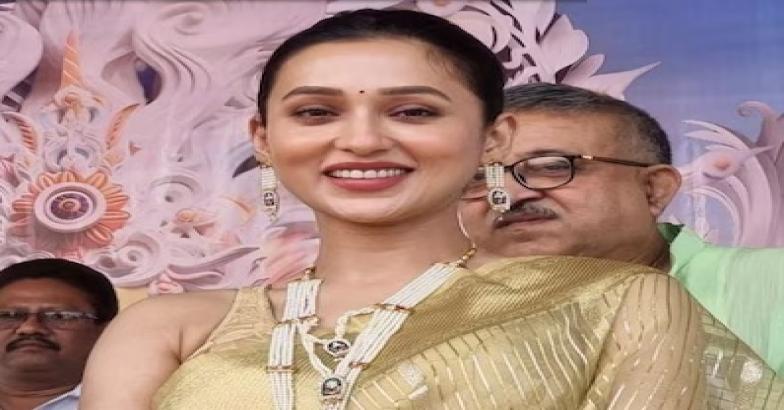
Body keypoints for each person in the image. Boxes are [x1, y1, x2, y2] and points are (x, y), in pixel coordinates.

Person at [82, 9, 781, 409]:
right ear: (265, 140)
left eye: (413, 111)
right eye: (316, 112)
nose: (361, 140)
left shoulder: (623, 302)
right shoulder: (170, 328)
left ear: (492, 138)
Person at [459, 82, 784, 375]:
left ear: (653, 190)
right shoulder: (447, 315)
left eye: (551, 167)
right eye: (479, 177)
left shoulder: (772, 286)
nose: (508, 195)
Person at [0, 258, 118, 410]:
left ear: (106, 331)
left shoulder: (135, 402)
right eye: (8, 316)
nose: (30, 328)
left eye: (59, 316)